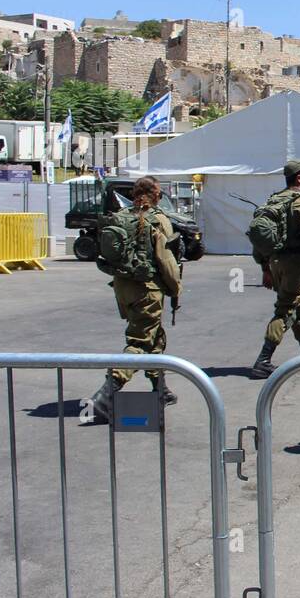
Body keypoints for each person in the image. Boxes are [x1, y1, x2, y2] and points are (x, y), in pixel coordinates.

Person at [88, 175, 182, 421]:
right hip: (147, 290)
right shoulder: (157, 219)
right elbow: (166, 260)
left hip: (123, 288)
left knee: (154, 336)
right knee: (140, 341)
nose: (161, 197)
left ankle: (160, 389)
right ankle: (106, 394)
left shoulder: (121, 216)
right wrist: (176, 288)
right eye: (159, 193)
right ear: (152, 194)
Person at [250, 160, 300, 379]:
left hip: (275, 262)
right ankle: (263, 360)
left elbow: (260, 237)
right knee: (285, 309)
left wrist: (265, 268)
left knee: (297, 307)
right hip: (294, 263)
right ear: (299, 177)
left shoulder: (274, 199)